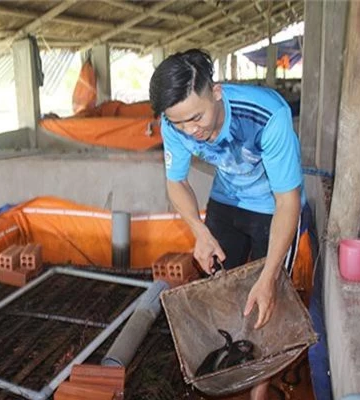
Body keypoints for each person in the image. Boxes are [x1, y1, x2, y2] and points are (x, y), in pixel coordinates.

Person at [149, 49, 305, 400]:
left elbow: (288, 201)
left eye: (197, 118)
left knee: (270, 298)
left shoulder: (267, 114)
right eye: (179, 124)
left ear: (216, 91)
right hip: (226, 200)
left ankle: (259, 391)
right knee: (220, 288)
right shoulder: (175, 122)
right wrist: (200, 232)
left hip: (273, 208)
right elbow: (177, 182)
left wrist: (268, 277)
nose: (191, 131)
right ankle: (236, 368)